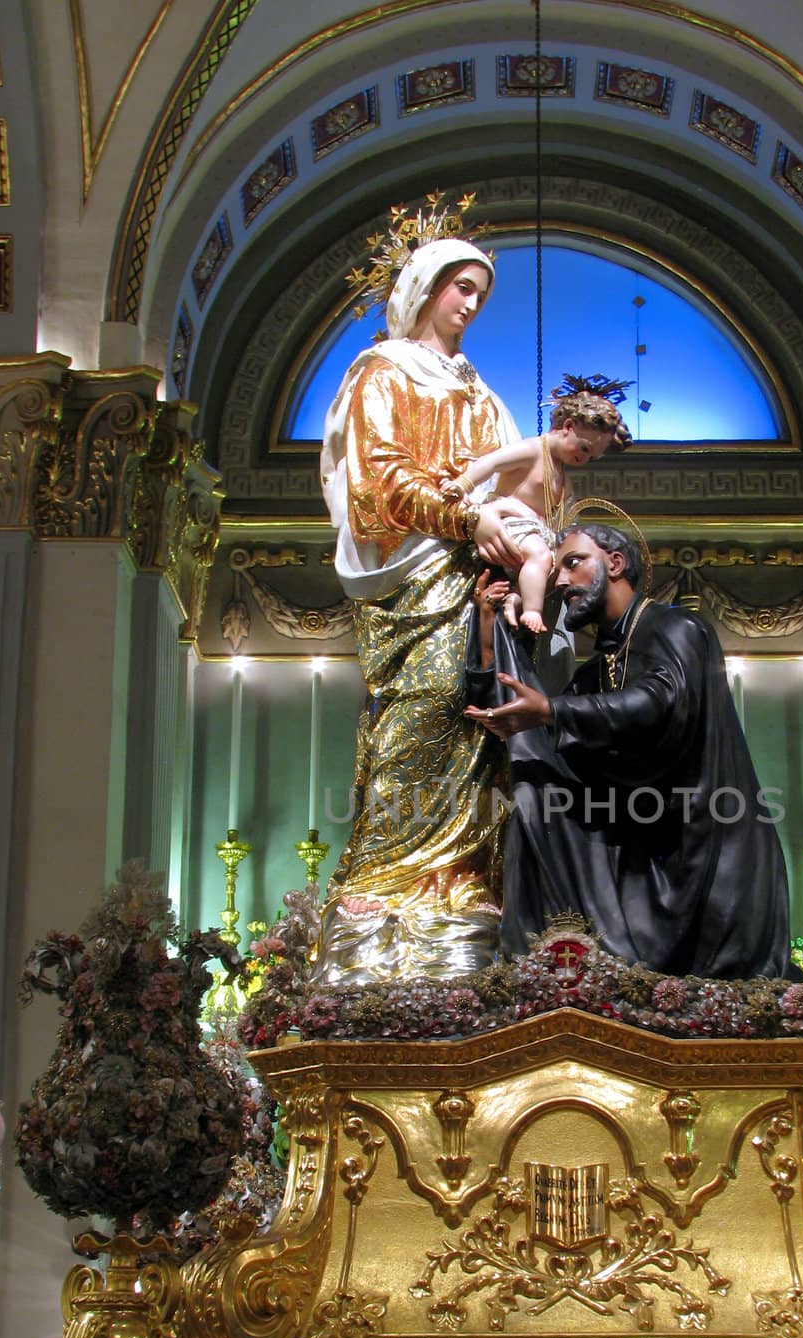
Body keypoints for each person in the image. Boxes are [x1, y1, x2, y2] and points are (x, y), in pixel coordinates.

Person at [314, 224, 531, 985]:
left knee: (483, 727)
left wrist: (516, 530)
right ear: (423, 289)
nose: (470, 304)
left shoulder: (478, 390)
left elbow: (513, 480)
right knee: (426, 706)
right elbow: (379, 479)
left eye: (479, 293)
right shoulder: (384, 371)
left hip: (481, 581)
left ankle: (461, 888)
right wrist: (465, 518)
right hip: (416, 575)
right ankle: (379, 891)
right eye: (459, 286)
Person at [465, 523, 794, 979]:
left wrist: (550, 712)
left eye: (574, 562)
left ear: (616, 564)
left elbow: (661, 701)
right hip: (641, 848)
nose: (560, 581)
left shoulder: (677, 627)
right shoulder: (598, 670)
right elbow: (552, 738)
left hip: (706, 857)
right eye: (556, 568)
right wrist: (489, 635)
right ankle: (540, 964)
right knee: (537, 790)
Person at [442, 376, 631, 634]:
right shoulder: (533, 450)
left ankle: (516, 600)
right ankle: (532, 610)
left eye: (591, 457)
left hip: (539, 532)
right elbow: (491, 462)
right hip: (511, 521)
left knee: (560, 570)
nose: (584, 458)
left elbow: (565, 520)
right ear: (567, 426)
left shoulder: (564, 477)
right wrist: (463, 484)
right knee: (540, 555)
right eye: (584, 448)